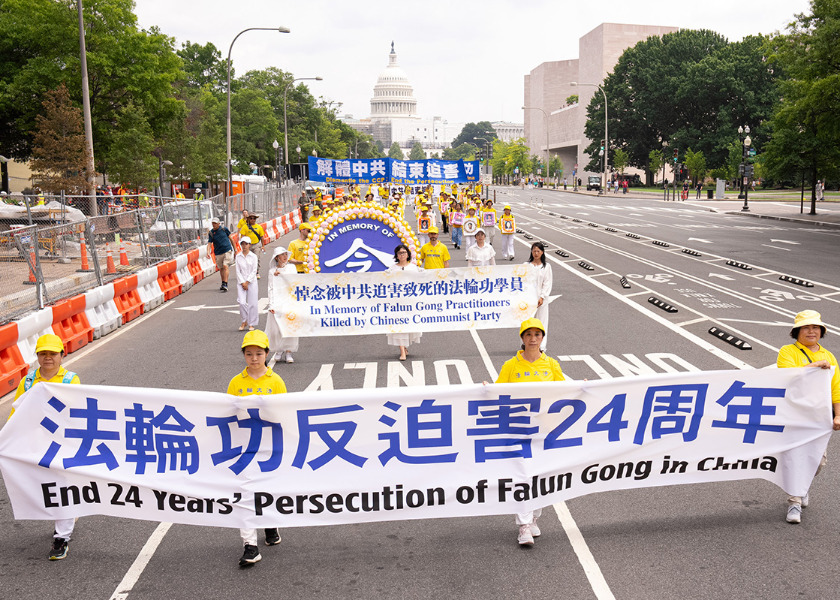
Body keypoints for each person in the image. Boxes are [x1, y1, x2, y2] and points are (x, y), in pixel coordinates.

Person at [494, 318, 564, 546]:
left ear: (542, 338)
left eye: (537, 334)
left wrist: (583, 388)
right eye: (528, 334)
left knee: (540, 474)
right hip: (519, 428)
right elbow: (498, 392)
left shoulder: (551, 365)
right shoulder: (510, 366)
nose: (533, 339)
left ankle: (533, 517)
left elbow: (564, 391)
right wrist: (484, 390)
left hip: (544, 430)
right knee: (523, 474)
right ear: (522, 338)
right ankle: (523, 524)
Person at [10, 334, 80, 560]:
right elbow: (16, 413)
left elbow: (76, 412)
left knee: (62, 487)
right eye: (43, 354)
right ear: (37, 357)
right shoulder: (28, 382)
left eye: (52, 353)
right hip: (36, 443)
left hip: (61, 444)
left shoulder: (71, 380)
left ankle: (62, 538)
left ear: (62, 355)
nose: (48, 358)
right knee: (41, 486)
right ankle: (66, 515)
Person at [227, 330, 286, 566]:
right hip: (244, 447)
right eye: (249, 354)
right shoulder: (236, 382)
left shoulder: (276, 381)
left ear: (266, 354)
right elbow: (227, 413)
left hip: (269, 446)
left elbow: (285, 412)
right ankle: (250, 545)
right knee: (244, 493)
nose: (254, 358)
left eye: (258, 353)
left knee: (267, 488)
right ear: (243, 355)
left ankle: (270, 524)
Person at [776, 310, 840, 524]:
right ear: (797, 332)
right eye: (806, 327)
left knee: (818, 461)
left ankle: (802, 486)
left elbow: (836, 389)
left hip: (819, 418)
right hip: (794, 415)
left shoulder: (829, 356)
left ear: (821, 331)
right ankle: (794, 502)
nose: (811, 331)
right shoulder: (788, 351)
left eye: (815, 327)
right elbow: (787, 376)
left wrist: (838, 415)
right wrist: (813, 366)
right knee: (796, 458)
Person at [386, 244, 422, 360]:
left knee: (409, 324)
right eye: (399, 253)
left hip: (410, 301)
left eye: (404, 252)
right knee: (398, 324)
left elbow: (420, 280)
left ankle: (405, 346)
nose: (402, 255)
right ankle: (402, 350)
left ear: (408, 254)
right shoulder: (392, 269)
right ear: (396, 255)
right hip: (396, 302)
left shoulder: (413, 268)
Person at [265, 248, 299, 363]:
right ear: (276, 257)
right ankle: (279, 350)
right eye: (281, 255)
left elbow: (293, 281)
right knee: (276, 329)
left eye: (285, 254)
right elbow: (271, 288)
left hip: (290, 301)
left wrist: (281, 275)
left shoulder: (291, 268)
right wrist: (271, 305)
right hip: (278, 302)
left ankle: (289, 352)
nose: (284, 256)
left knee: (289, 327)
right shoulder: (272, 271)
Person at [527, 242, 553, 352]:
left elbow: (547, 283)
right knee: (528, 323)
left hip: (542, 299)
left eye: (538, 251)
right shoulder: (527, 265)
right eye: (534, 251)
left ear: (542, 252)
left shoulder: (546, 267)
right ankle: (526, 345)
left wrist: (542, 297)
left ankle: (541, 346)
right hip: (529, 298)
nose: (536, 253)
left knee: (541, 322)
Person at [235, 238, 259, 331]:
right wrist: (242, 282)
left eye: (246, 244)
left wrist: (247, 281)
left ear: (249, 245)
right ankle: (244, 320)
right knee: (242, 302)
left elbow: (254, 270)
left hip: (251, 281)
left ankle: (251, 323)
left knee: (253, 303)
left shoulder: (253, 256)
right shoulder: (238, 256)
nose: (244, 246)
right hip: (241, 282)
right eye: (242, 244)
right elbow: (237, 271)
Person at [208, 217, 234, 292]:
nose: (214, 225)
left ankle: (225, 283)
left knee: (225, 266)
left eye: (215, 223)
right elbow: (209, 243)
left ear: (219, 223)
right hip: (218, 252)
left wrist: (235, 249)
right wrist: (208, 252)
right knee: (221, 268)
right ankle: (223, 283)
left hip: (227, 250)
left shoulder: (224, 229)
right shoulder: (211, 233)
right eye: (213, 223)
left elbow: (231, 239)